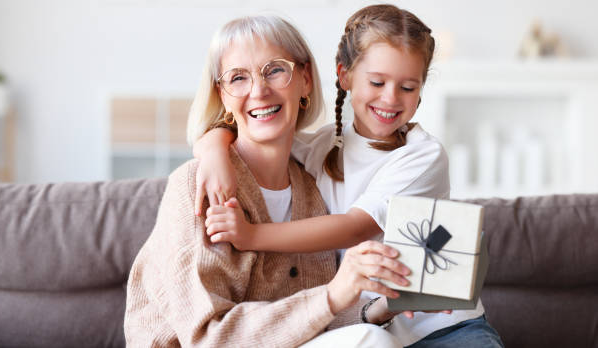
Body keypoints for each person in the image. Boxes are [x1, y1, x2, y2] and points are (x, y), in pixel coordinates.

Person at [192, 5, 504, 348]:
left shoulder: (423, 155)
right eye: (377, 82)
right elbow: (258, 134)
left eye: (408, 87)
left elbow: (356, 226)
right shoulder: (321, 146)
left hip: (442, 327)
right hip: (363, 326)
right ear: (344, 75)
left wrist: (252, 236)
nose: (390, 97)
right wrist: (212, 147)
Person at [124, 14, 412, 348]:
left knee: (374, 334)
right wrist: (334, 295)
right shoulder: (197, 186)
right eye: (238, 78)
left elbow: (305, 323)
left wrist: (384, 305)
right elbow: (208, 339)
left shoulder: (311, 188)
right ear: (223, 96)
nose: (259, 91)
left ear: (305, 79)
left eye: (275, 70)